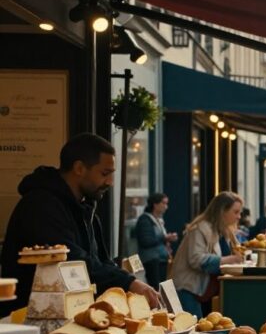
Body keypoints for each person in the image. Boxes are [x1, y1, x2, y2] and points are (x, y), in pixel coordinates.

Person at [0, 133, 162, 317]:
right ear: (79, 168)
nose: (110, 182)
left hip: (71, 316)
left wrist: (128, 284)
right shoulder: (40, 205)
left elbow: (101, 261)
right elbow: (72, 260)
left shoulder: (87, 209)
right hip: (28, 320)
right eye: (104, 173)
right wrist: (127, 282)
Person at [169, 192, 245, 317]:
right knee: (193, 330)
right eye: (235, 212)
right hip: (189, 290)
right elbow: (196, 259)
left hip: (205, 292)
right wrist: (231, 259)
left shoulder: (225, 231)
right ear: (222, 211)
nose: (239, 216)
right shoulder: (200, 229)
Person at [135, 192, 178, 288]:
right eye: (163, 203)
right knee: (156, 288)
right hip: (152, 261)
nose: (166, 207)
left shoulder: (158, 220)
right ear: (155, 204)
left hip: (160, 260)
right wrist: (165, 238)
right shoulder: (145, 220)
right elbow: (146, 240)